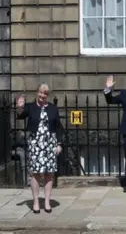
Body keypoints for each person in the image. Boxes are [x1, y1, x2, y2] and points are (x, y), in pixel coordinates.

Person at [16, 83, 63, 214]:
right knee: (35, 174)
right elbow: (20, 115)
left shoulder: (53, 108)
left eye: (46, 94)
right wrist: (19, 106)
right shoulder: (31, 107)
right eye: (41, 93)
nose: (43, 95)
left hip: (50, 143)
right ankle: (36, 201)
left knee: (49, 174)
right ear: (37, 93)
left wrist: (59, 143)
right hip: (36, 143)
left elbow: (58, 127)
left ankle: (47, 202)